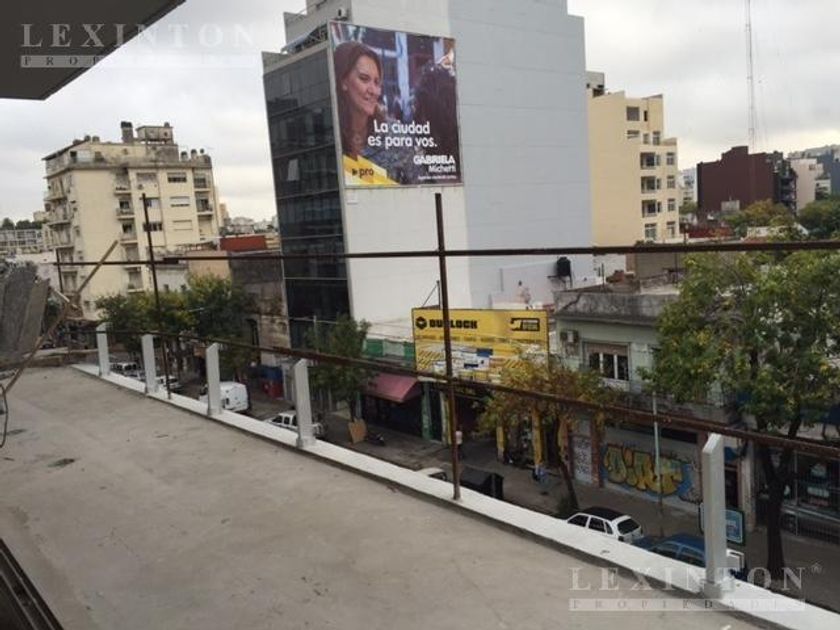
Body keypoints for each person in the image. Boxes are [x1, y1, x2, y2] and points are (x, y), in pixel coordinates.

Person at [333, 41, 385, 160]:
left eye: (377, 82)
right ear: (343, 81)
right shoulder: (328, 131)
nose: (373, 91)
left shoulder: (392, 134)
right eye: (364, 79)